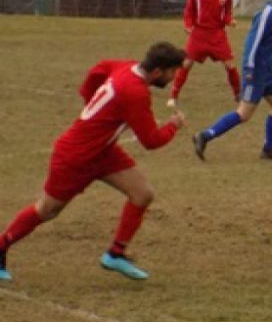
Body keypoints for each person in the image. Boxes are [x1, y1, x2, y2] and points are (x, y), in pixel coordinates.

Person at [0, 42, 187, 282]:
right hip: (75, 157)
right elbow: (151, 141)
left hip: (103, 151)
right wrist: (173, 125)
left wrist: (91, 103)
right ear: (158, 72)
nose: (174, 78)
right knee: (47, 210)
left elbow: (99, 69)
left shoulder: (127, 67)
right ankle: (2, 245)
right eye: (173, 72)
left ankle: (115, 254)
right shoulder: (136, 92)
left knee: (142, 193)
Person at [192, 0, 272, 161]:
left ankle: (268, 149)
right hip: (256, 74)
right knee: (243, 114)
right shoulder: (267, 14)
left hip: (269, 75)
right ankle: (204, 136)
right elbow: (252, 43)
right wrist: (249, 68)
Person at [168, 0, 241, 107]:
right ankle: (173, 96)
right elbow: (189, 10)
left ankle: (238, 94)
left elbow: (227, 13)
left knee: (230, 66)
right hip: (199, 34)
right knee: (186, 64)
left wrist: (230, 21)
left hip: (218, 35)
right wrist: (188, 25)